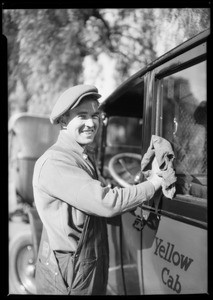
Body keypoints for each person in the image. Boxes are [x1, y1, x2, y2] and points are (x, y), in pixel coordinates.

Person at [32, 84, 162, 295]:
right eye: (82, 116)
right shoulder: (56, 161)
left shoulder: (80, 156)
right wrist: (154, 184)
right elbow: (106, 202)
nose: (91, 123)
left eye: (95, 115)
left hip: (85, 262)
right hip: (69, 271)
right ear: (64, 120)